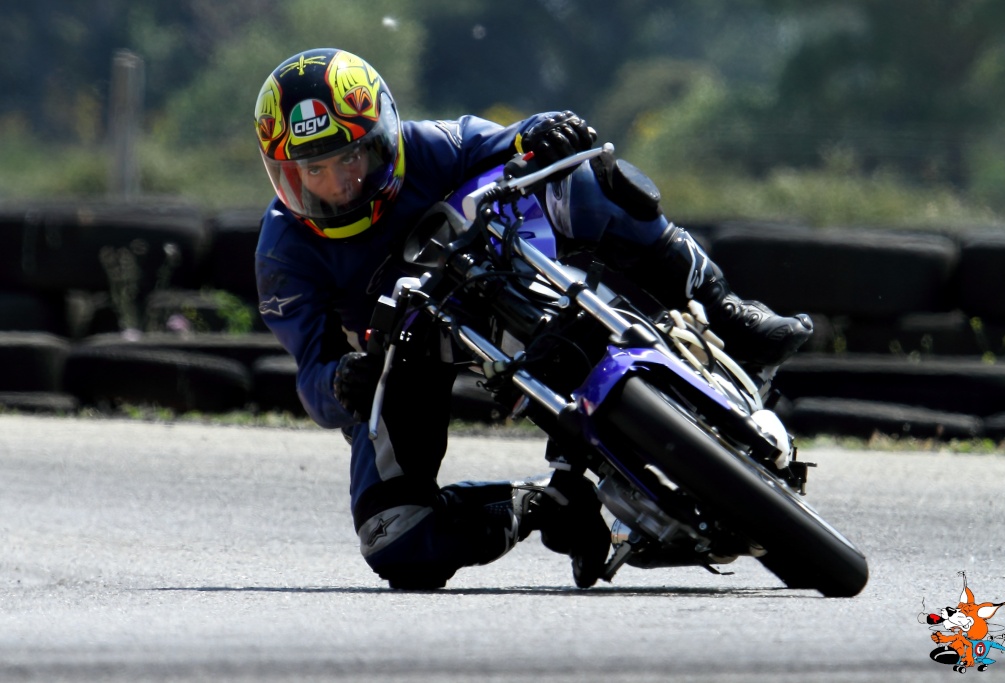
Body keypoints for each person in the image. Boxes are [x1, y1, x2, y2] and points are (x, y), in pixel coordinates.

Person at [253, 48, 812, 590]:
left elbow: (513, 136)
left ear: (387, 138)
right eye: (312, 170)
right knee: (394, 541)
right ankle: (545, 503)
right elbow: (312, 374)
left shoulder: (430, 146)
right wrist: (342, 381)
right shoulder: (283, 253)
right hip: (397, 359)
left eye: (351, 157)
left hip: (489, 275)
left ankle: (727, 312)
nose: (336, 185)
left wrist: (549, 130)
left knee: (582, 174)